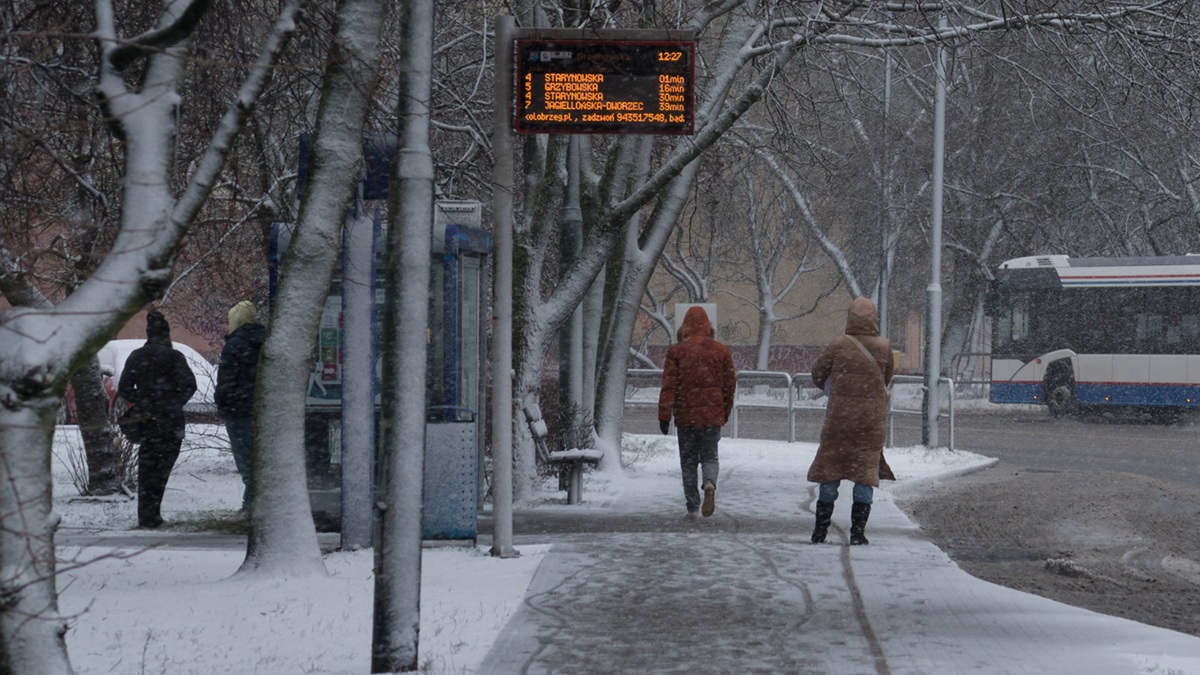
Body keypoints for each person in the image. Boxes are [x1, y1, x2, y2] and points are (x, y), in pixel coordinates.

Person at [808, 297, 895, 545]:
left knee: (830, 471)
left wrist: (837, 388)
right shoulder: (884, 346)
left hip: (839, 419)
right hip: (870, 422)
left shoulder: (838, 344)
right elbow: (885, 380)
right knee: (865, 473)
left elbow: (817, 374)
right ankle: (858, 533)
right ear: (873, 319)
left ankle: (820, 531)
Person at [118, 310, 198, 528]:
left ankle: (146, 516)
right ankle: (153, 515)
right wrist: (172, 401)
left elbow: (124, 388)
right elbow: (190, 385)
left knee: (147, 468)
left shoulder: (137, 356)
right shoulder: (174, 357)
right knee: (162, 469)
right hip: (170, 422)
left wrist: (143, 400)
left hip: (146, 422)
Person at [658, 306, 737, 519]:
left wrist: (664, 415)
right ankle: (710, 483)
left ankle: (692, 505)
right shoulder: (721, 351)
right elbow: (729, 385)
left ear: (684, 327)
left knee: (688, 461)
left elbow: (668, 386)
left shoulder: (676, 352)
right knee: (710, 457)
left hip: (685, 417)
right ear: (708, 327)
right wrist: (724, 411)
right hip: (712, 416)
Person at [215, 300, 266, 514]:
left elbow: (226, 382)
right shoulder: (266, 341)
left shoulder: (235, 345)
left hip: (240, 411)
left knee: (246, 461)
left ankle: (251, 505)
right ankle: (257, 502)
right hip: (263, 410)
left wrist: (223, 405)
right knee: (261, 460)